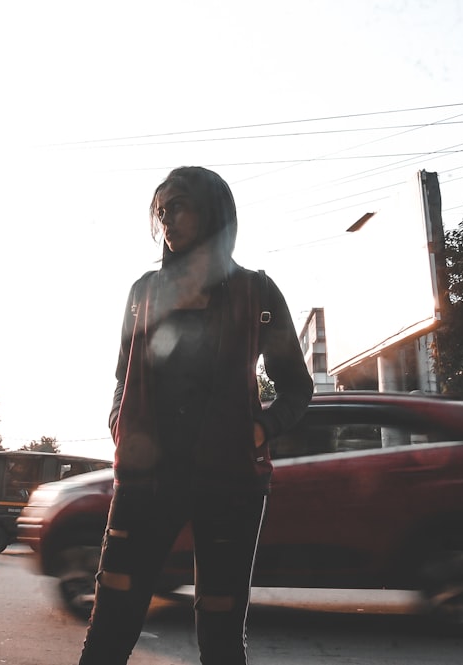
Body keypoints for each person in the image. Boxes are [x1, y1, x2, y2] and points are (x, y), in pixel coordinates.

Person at [78, 166, 313, 665]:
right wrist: (120, 424)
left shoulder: (257, 294)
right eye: (161, 210)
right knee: (110, 628)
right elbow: (121, 376)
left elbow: (296, 388)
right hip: (144, 482)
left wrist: (259, 429)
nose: (167, 219)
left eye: (178, 206)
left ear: (213, 211)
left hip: (230, 486)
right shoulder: (143, 293)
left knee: (221, 636)